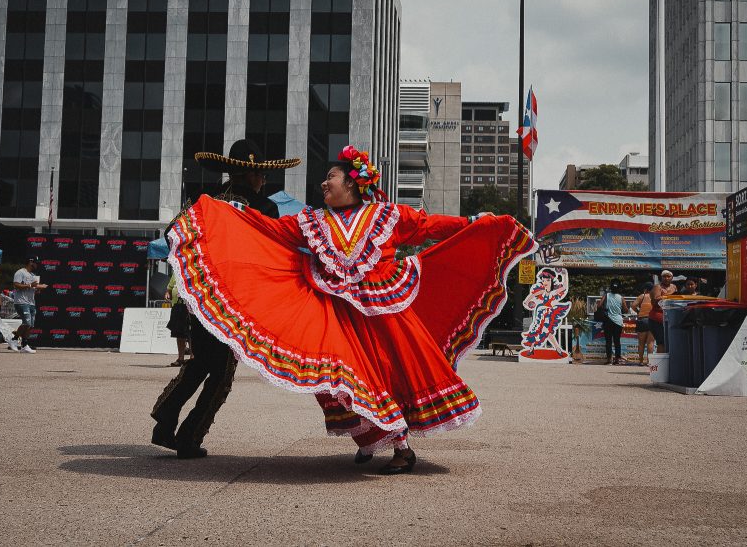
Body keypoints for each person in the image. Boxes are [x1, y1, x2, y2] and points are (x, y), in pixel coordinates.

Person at [164, 145, 537, 474]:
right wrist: (219, 212)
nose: (324, 184)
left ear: (352, 183)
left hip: (387, 314)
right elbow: (269, 229)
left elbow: (429, 227)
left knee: (394, 377)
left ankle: (403, 450)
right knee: (339, 382)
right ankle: (373, 439)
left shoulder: (386, 215)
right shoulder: (312, 222)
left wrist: (475, 222)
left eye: (330, 177)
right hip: (339, 319)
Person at [152, 139, 300, 459]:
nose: (263, 181)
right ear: (249, 175)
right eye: (260, 175)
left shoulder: (204, 200)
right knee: (221, 375)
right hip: (233, 304)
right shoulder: (265, 209)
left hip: (201, 299)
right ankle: (190, 436)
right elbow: (275, 256)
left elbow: (173, 233)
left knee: (201, 363)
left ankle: (165, 419)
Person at [12, 257, 47, 353]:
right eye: (36, 263)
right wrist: (31, 285)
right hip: (21, 302)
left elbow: (32, 290)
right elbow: (16, 285)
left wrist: (38, 289)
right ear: (30, 262)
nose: (37, 265)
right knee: (26, 323)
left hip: (31, 303)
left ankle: (24, 345)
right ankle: (14, 340)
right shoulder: (20, 272)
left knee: (30, 325)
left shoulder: (32, 275)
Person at [596, 280, 629, 365]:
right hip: (618, 321)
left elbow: (599, 305)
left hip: (608, 320)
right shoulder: (621, 297)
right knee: (617, 341)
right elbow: (626, 310)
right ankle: (617, 360)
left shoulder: (606, 295)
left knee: (608, 341)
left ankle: (609, 360)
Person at [648, 270, 678, 354]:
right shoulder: (657, 287)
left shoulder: (674, 287)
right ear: (661, 277)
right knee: (662, 342)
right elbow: (655, 301)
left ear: (672, 278)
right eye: (664, 276)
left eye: (668, 276)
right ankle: (661, 363)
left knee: (669, 342)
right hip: (656, 319)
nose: (666, 278)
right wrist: (669, 295)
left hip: (669, 319)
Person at [164, 275, 190, 367]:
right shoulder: (176, 270)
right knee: (179, 333)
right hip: (177, 306)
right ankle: (180, 358)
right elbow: (170, 287)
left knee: (191, 333)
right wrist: (168, 292)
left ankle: (193, 359)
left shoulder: (194, 270)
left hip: (190, 307)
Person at [632, 282, 655, 366]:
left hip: (642, 319)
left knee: (641, 343)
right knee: (650, 342)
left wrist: (638, 311)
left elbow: (633, 306)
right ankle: (649, 362)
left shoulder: (642, 296)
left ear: (645, 289)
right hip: (652, 320)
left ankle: (641, 361)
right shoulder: (655, 297)